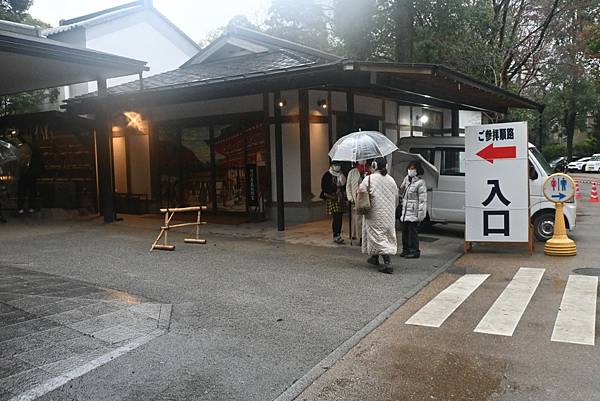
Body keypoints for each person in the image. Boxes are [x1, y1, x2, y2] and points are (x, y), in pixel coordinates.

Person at [360, 157, 398, 274]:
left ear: (374, 166)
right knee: (385, 235)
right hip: (389, 215)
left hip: (374, 214)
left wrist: (365, 178)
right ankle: (375, 257)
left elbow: (361, 191)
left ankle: (388, 263)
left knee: (377, 236)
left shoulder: (369, 179)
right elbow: (396, 197)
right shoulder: (391, 180)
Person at [398, 161, 427, 259]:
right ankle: (406, 250)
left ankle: (415, 251)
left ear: (417, 170)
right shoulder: (406, 179)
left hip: (414, 212)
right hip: (405, 211)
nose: (411, 170)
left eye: (413, 168)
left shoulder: (420, 183)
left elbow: (422, 201)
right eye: (410, 168)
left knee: (413, 233)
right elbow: (401, 191)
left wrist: (420, 215)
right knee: (405, 232)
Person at [321, 161, 346, 244]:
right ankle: (336, 235)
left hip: (340, 198)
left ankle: (338, 234)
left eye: (339, 165)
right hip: (332, 198)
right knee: (336, 217)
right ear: (332, 166)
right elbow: (324, 188)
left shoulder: (341, 175)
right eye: (336, 165)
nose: (337, 167)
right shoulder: (327, 175)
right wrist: (334, 189)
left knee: (340, 216)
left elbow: (344, 185)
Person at [16, 137, 43, 215]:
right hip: (23, 176)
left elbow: (38, 165)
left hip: (31, 175)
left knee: (32, 192)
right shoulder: (22, 157)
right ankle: (20, 207)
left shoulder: (34, 155)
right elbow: (19, 166)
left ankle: (31, 207)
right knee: (22, 192)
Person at [346, 160, 366, 245]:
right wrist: (350, 197)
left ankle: (365, 237)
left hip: (366, 199)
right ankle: (360, 237)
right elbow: (348, 185)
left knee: (366, 220)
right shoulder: (352, 172)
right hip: (355, 199)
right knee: (358, 220)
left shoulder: (368, 171)